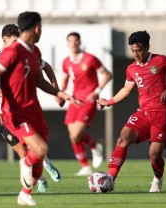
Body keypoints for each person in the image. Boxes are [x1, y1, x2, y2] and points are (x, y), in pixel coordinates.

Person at [0, 12, 82, 206]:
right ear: (36, 28)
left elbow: (40, 82)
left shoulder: (35, 52)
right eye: (41, 28)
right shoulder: (11, 53)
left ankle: (25, 193)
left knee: (39, 154)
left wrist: (59, 93)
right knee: (39, 149)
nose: (41, 31)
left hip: (34, 110)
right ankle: (26, 167)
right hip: (15, 112)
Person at [96, 30, 166, 192]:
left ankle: (157, 179)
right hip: (143, 113)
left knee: (154, 154)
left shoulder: (161, 60)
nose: (136, 54)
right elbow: (126, 90)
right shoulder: (131, 69)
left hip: (162, 113)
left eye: (139, 50)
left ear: (147, 48)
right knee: (123, 138)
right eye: (133, 51)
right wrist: (108, 102)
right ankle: (110, 178)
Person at [60, 32, 113, 176]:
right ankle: (86, 166)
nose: (73, 43)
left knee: (77, 133)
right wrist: (61, 93)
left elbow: (108, 74)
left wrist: (97, 91)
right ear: (67, 44)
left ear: (79, 42)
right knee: (73, 137)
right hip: (74, 100)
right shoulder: (66, 62)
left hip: (88, 101)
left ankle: (96, 146)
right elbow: (65, 79)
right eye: (70, 41)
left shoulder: (90, 59)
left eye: (76, 41)